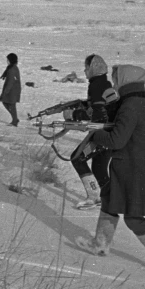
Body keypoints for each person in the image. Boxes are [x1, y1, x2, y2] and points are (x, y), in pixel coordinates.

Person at [76, 65, 145, 271]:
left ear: (124, 82)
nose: (114, 84)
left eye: (116, 79)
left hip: (138, 172)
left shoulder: (131, 106)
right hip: (136, 169)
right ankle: (100, 244)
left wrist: (94, 133)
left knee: (133, 217)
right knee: (110, 199)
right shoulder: (138, 104)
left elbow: (116, 140)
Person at [64, 54, 115, 210]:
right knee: (99, 167)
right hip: (111, 133)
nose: (84, 71)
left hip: (102, 134)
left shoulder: (96, 85)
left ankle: (93, 197)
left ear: (93, 68)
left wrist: (74, 115)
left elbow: (99, 114)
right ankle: (110, 198)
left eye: (86, 68)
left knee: (77, 158)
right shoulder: (104, 83)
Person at [0, 53, 21, 126]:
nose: (7, 61)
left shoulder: (12, 69)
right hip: (14, 89)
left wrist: (5, 92)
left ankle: (15, 120)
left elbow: (10, 82)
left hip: (12, 90)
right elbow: (7, 71)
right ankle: (15, 119)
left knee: (9, 103)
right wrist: (4, 75)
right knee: (10, 104)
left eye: (8, 60)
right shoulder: (12, 67)